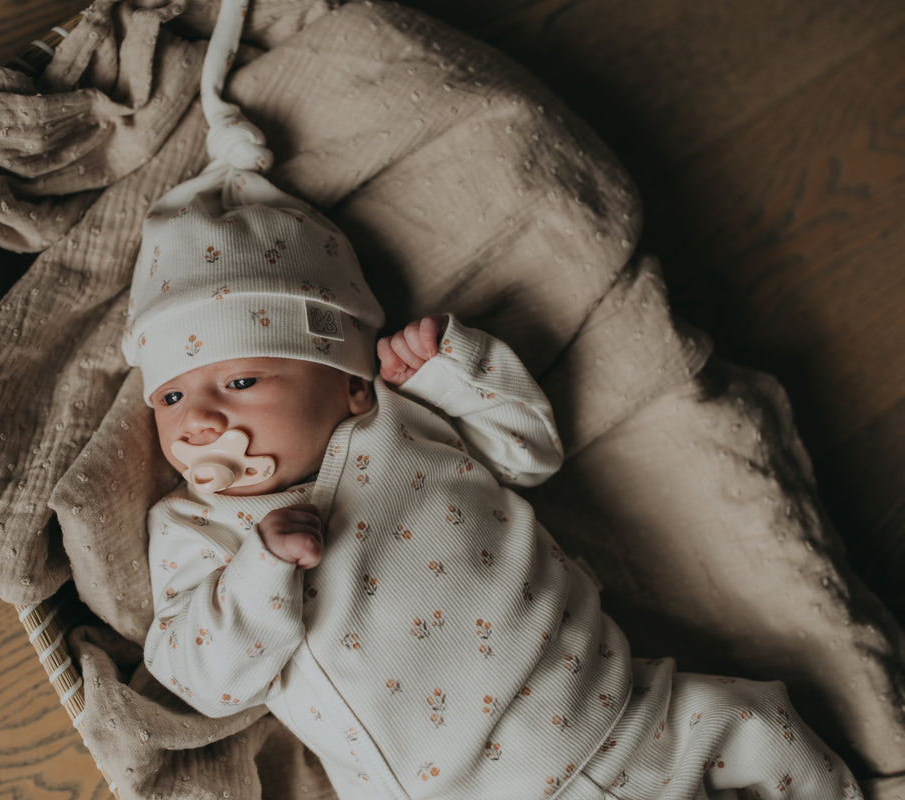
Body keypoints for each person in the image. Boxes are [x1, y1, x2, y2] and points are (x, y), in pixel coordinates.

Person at [121, 1, 860, 796]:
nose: (200, 419)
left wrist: (453, 367)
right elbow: (203, 677)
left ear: (345, 377)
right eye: (169, 395)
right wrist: (261, 575)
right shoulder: (198, 533)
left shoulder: (407, 420)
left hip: (618, 717)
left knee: (760, 727)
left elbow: (529, 450)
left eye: (238, 383)